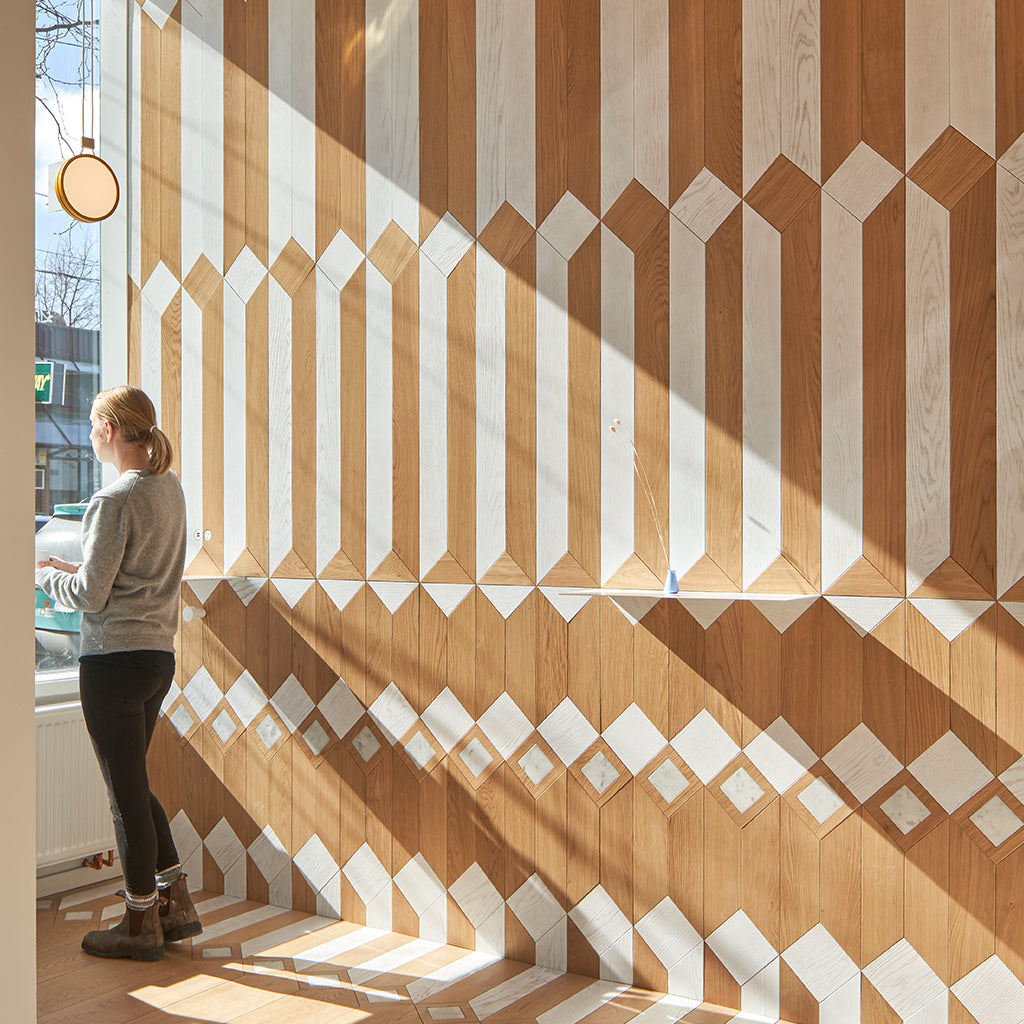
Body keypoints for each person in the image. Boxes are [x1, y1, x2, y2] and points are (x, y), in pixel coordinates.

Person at [35, 385, 201, 962]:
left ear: (110, 430)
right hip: (157, 659)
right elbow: (133, 573)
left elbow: (91, 595)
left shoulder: (112, 499)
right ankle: (174, 901)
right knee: (133, 782)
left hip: (111, 664)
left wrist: (44, 578)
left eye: (89, 424)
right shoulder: (168, 490)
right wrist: (73, 567)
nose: (85, 433)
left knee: (123, 792)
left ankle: (138, 923)